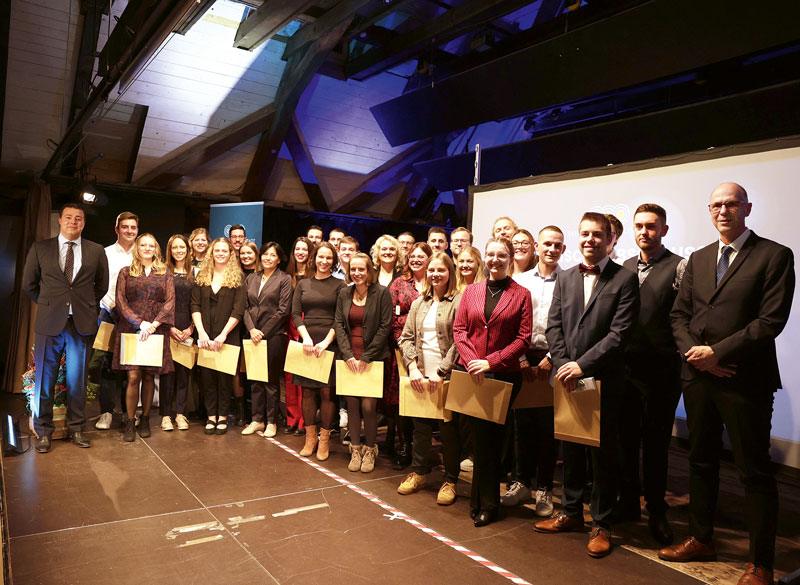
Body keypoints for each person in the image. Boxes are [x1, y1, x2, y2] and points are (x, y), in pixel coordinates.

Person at [660, 183, 794, 585]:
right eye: (717, 205)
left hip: (744, 380)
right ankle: (701, 538)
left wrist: (718, 353)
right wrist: (696, 355)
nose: (723, 210)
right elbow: (678, 316)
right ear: (709, 210)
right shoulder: (699, 259)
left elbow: (770, 321)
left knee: (754, 471)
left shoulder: (774, 255)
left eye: (731, 204)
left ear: (747, 208)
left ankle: (761, 565)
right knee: (700, 461)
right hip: (698, 378)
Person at [534, 212, 639, 559]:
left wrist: (582, 365)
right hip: (567, 378)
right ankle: (571, 513)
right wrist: (564, 364)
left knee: (603, 455)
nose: (589, 240)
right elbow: (554, 327)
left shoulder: (625, 279)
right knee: (572, 449)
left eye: (597, 234)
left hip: (604, 380)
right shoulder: (564, 277)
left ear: (610, 240)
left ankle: (602, 523)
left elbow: (619, 334)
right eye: (584, 234)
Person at [616, 204, 686, 544]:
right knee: (625, 442)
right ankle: (628, 503)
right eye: (640, 226)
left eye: (652, 226)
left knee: (656, 446)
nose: (645, 232)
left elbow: (685, 316)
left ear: (664, 230)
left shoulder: (679, 267)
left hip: (661, 374)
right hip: (625, 371)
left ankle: (656, 511)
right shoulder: (624, 268)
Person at [453, 237, 532, 527]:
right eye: (491, 254)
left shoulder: (521, 293)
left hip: (502, 375)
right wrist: (474, 361)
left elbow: (524, 339)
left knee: (492, 441)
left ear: (510, 259)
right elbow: (459, 329)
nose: (495, 259)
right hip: (472, 374)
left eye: (502, 255)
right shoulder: (471, 291)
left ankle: (487, 503)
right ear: (484, 257)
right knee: (478, 439)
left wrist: (491, 361)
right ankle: (481, 501)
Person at [22, 203, 109, 453]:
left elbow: (101, 286)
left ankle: (76, 429)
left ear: (84, 223)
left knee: (77, 380)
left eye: (79, 218)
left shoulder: (95, 250)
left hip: (80, 325)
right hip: (50, 323)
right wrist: (52, 304)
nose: (74, 222)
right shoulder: (41, 248)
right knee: (44, 381)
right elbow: (30, 284)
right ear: (60, 221)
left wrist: (82, 305)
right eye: (69, 217)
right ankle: (44, 431)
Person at [504, 225, 566, 517]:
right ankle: (520, 483)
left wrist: (553, 357)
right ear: (536, 247)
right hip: (523, 358)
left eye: (557, 245)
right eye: (547, 244)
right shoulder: (520, 280)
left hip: (554, 361)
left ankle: (544, 488)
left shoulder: (570, 281)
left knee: (548, 429)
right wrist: (520, 359)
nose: (551, 249)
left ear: (563, 249)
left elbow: (571, 324)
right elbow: (511, 323)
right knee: (521, 426)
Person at [397, 252, 463, 505]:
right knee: (420, 429)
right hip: (420, 375)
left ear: (450, 272)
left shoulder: (458, 301)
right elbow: (406, 338)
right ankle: (419, 473)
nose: (436, 274)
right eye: (432, 270)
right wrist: (413, 367)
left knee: (448, 432)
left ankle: (450, 479)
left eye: (441, 270)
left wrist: (441, 371)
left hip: (447, 377)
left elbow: (460, 340)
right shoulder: (418, 303)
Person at [113, 234, 176, 442]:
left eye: (151, 245)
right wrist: (140, 324)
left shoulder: (165, 273)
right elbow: (120, 302)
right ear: (137, 248)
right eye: (143, 245)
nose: (147, 248)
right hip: (132, 329)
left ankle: (146, 418)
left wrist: (154, 325)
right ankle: (130, 422)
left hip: (156, 330)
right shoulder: (125, 272)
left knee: (149, 375)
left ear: (156, 249)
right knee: (133, 376)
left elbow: (169, 302)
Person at [334, 253, 392, 472]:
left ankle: (370, 449)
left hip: (372, 357)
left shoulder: (382, 293)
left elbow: (385, 326)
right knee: (352, 405)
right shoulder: (344, 293)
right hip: (349, 356)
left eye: (362, 269)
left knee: (369, 406)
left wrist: (366, 357)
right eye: (353, 269)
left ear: (369, 271)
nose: (357, 273)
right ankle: (355, 449)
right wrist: (348, 354)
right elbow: (339, 324)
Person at [292, 242, 346, 460]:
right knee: (307, 391)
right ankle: (310, 437)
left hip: (329, 343)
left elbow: (340, 318)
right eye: (321, 257)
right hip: (306, 342)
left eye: (329, 258)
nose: (324, 261)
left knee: (326, 392)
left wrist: (325, 342)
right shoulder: (303, 283)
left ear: (334, 261)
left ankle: (324, 440)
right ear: (314, 258)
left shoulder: (340, 285)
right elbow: (296, 314)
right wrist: (305, 337)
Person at [192, 237, 246, 435]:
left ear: (230, 254)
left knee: (224, 379)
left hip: (227, 336)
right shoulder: (202, 276)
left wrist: (223, 334)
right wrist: (202, 332)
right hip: (205, 335)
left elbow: (239, 310)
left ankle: (222, 416)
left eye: (225, 251)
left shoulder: (238, 278)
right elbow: (195, 305)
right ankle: (210, 416)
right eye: (217, 251)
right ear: (211, 253)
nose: (221, 254)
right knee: (207, 378)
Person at [386, 242, 432, 468]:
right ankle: (405, 446)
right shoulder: (399, 283)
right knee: (404, 401)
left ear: (430, 258)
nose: (416, 260)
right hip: (403, 351)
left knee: (427, 399)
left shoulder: (437, 281)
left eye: (421, 256)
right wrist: (404, 347)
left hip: (432, 351)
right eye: (412, 256)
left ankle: (424, 449)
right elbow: (391, 319)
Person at [242, 242, 292, 437]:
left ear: (279, 259)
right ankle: (257, 420)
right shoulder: (252, 278)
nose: (267, 258)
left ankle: (272, 421)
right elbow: (244, 307)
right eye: (265, 254)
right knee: (254, 380)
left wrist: (262, 331)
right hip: (252, 334)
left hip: (273, 336)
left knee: (271, 381)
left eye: (272, 255)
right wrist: (252, 329)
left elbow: (283, 310)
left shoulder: (284, 279)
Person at [96, 211, 139, 430]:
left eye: (133, 227)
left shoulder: (142, 254)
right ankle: (105, 412)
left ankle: (126, 412)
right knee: (106, 364)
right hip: (108, 313)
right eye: (125, 227)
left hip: (134, 318)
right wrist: (113, 306)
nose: (129, 231)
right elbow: (99, 284)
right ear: (117, 229)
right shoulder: (104, 254)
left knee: (130, 365)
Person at [159, 234, 194, 432]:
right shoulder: (163, 272)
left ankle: (181, 414)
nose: (179, 251)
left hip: (188, 329)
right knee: (167, 375)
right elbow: (161, 302)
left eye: (182, 247)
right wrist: (169, 327)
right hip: (168, 328)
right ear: (170, 251)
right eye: (175, 248)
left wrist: (191, 328)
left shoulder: (195, 273)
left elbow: (197, 303)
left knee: (183, 375)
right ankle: (165, 415)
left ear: (187, 250)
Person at [284, 236, 314, 436]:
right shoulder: (287, 275)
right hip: (289, 329)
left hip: (309, 330)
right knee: (290, 379)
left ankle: (305, 421)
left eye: (304, 249)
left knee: (306, 380)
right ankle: (291, 418)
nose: (300, 252)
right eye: (297, 249)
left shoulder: (314, 275)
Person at [232, 240, 260, 424]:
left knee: (255, 371)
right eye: (242, 253)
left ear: (256, 255)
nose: (246, 256)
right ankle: (241, 411)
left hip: (257, 328)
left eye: (249, 253)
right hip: (237, 327)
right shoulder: (235, 275)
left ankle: (257, 411)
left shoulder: (262, 275)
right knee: (237, 371)